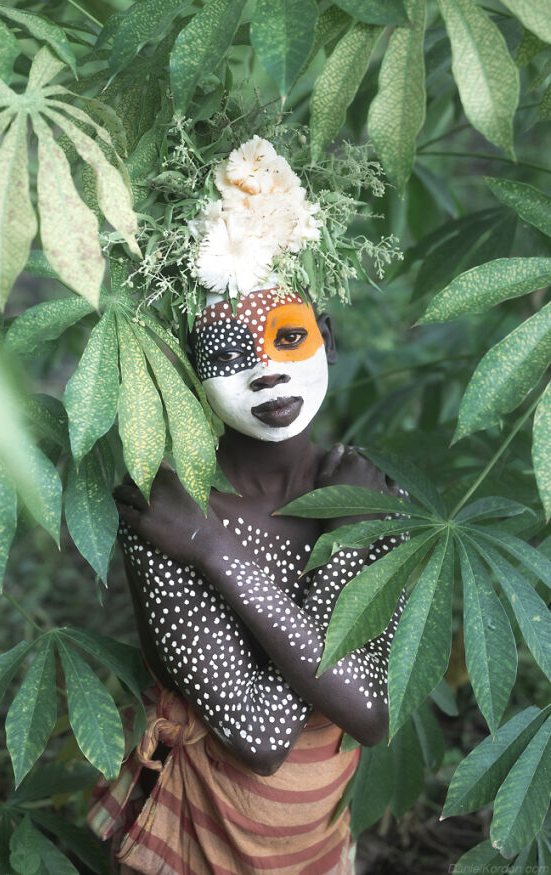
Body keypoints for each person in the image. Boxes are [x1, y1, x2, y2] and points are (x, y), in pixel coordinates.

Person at [87, 287, 408, 875]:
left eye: (289, 338)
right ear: (188, 370)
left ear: (327, 339)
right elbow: (259, 739)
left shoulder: (372, 495)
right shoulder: (166, 509)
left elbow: (369, 713)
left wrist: (211, 549)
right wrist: (214, 546)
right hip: (196, 838)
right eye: (228, 352)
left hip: (318, 830)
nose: (265, 372)